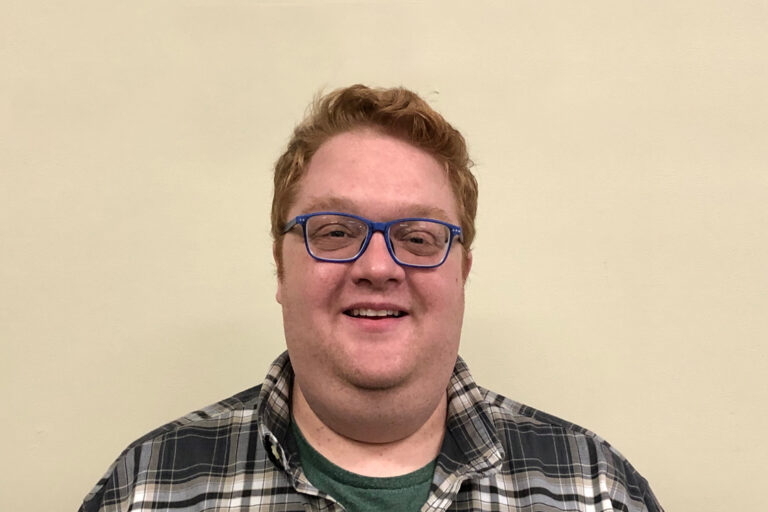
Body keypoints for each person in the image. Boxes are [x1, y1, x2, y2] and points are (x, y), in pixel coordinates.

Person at [80, 84, 663, 512]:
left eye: (417, 237)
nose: (378, 266)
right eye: (335, 232)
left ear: (462, 271)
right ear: (280, 268)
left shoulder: (594, 488)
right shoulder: (147, 488)